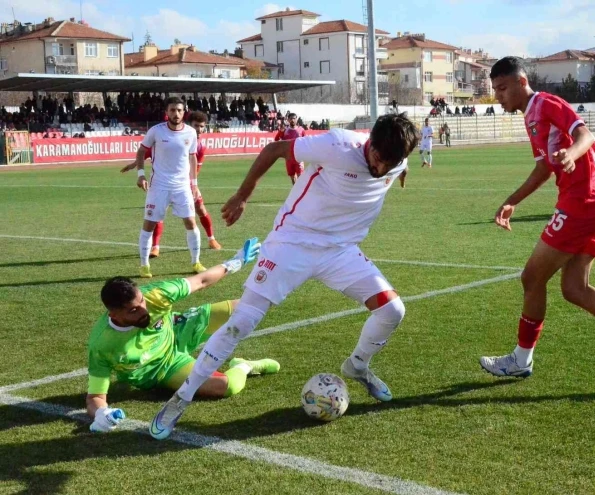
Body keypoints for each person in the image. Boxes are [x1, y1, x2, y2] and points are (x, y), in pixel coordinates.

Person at [148, 115, 419, 440]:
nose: (380, 168)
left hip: (341, 251)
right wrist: (243, 195)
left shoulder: (394, 160)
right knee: (242, 321)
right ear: (369, 144)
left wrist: (399, 170)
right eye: (378, 158)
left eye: (392, 163)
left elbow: (396, 166)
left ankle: (357, 366)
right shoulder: (338, 145)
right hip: (292, 243)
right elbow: (274, 149)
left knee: (392, 310)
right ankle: (182, 397)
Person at [479, 56, 595, 393]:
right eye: (495, 89)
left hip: (583, 200)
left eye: (503, 88)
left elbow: (584, 134)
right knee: (574, 289)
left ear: (522, 82)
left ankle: (521, 359)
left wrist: (573, 153)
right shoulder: (531, 117)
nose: (498, 95)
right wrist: (512, 201)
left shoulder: (546, 103)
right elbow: (543, 169)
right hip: (594, 199)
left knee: (531, 277)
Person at [86, 241, 281, 434]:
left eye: (142, 301)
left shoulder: (157, 295)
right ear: (114, 316)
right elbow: (95, 396)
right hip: (163, 368)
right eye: (134, 311)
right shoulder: (103, 345)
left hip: (178, 329)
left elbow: (201, 281)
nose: (144, 310)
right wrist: (101, 413)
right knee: (225, 387)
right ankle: (243, 366)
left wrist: (235, 262)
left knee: (249, 306)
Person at [122, 111, 222, 258]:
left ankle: (211, 238)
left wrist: (193, 185)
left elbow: (196, 168)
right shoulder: (175, 137)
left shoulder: (200, 147)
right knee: (159, 214)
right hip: (165, 182)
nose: (199, 130)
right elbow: (149, 152)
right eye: (196, 126)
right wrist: (135, 164)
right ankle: (155, 247)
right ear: (190, 125)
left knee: (200, 208)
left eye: (202, 127)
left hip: (186, 184)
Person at [129, 97, 205, 279]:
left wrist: (194, 184)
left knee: (191, 223)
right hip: (159, 186)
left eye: (179, 110)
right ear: (166, 112)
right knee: (149, 224)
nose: (176, 114)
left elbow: (192, 157)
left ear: (183, 112)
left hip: (182, 186)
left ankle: (196, 261)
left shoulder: (190, 133)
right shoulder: (156, 131)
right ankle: (144, 265)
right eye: (172, 110)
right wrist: (141, 175)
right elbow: (141, 151)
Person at [273, 113, 306, 185]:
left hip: (298, 157)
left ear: (296, 119)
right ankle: (296, 194)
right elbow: (276, 140)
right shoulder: (285, 131)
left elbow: (306, 141)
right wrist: (280, 132)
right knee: (293, 179)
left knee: (301, 178)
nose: (292, 120)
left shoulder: (301, 130)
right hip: (289, 158)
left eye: (294, 118)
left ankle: (302, 194)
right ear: (288, 120)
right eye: (291, 118)